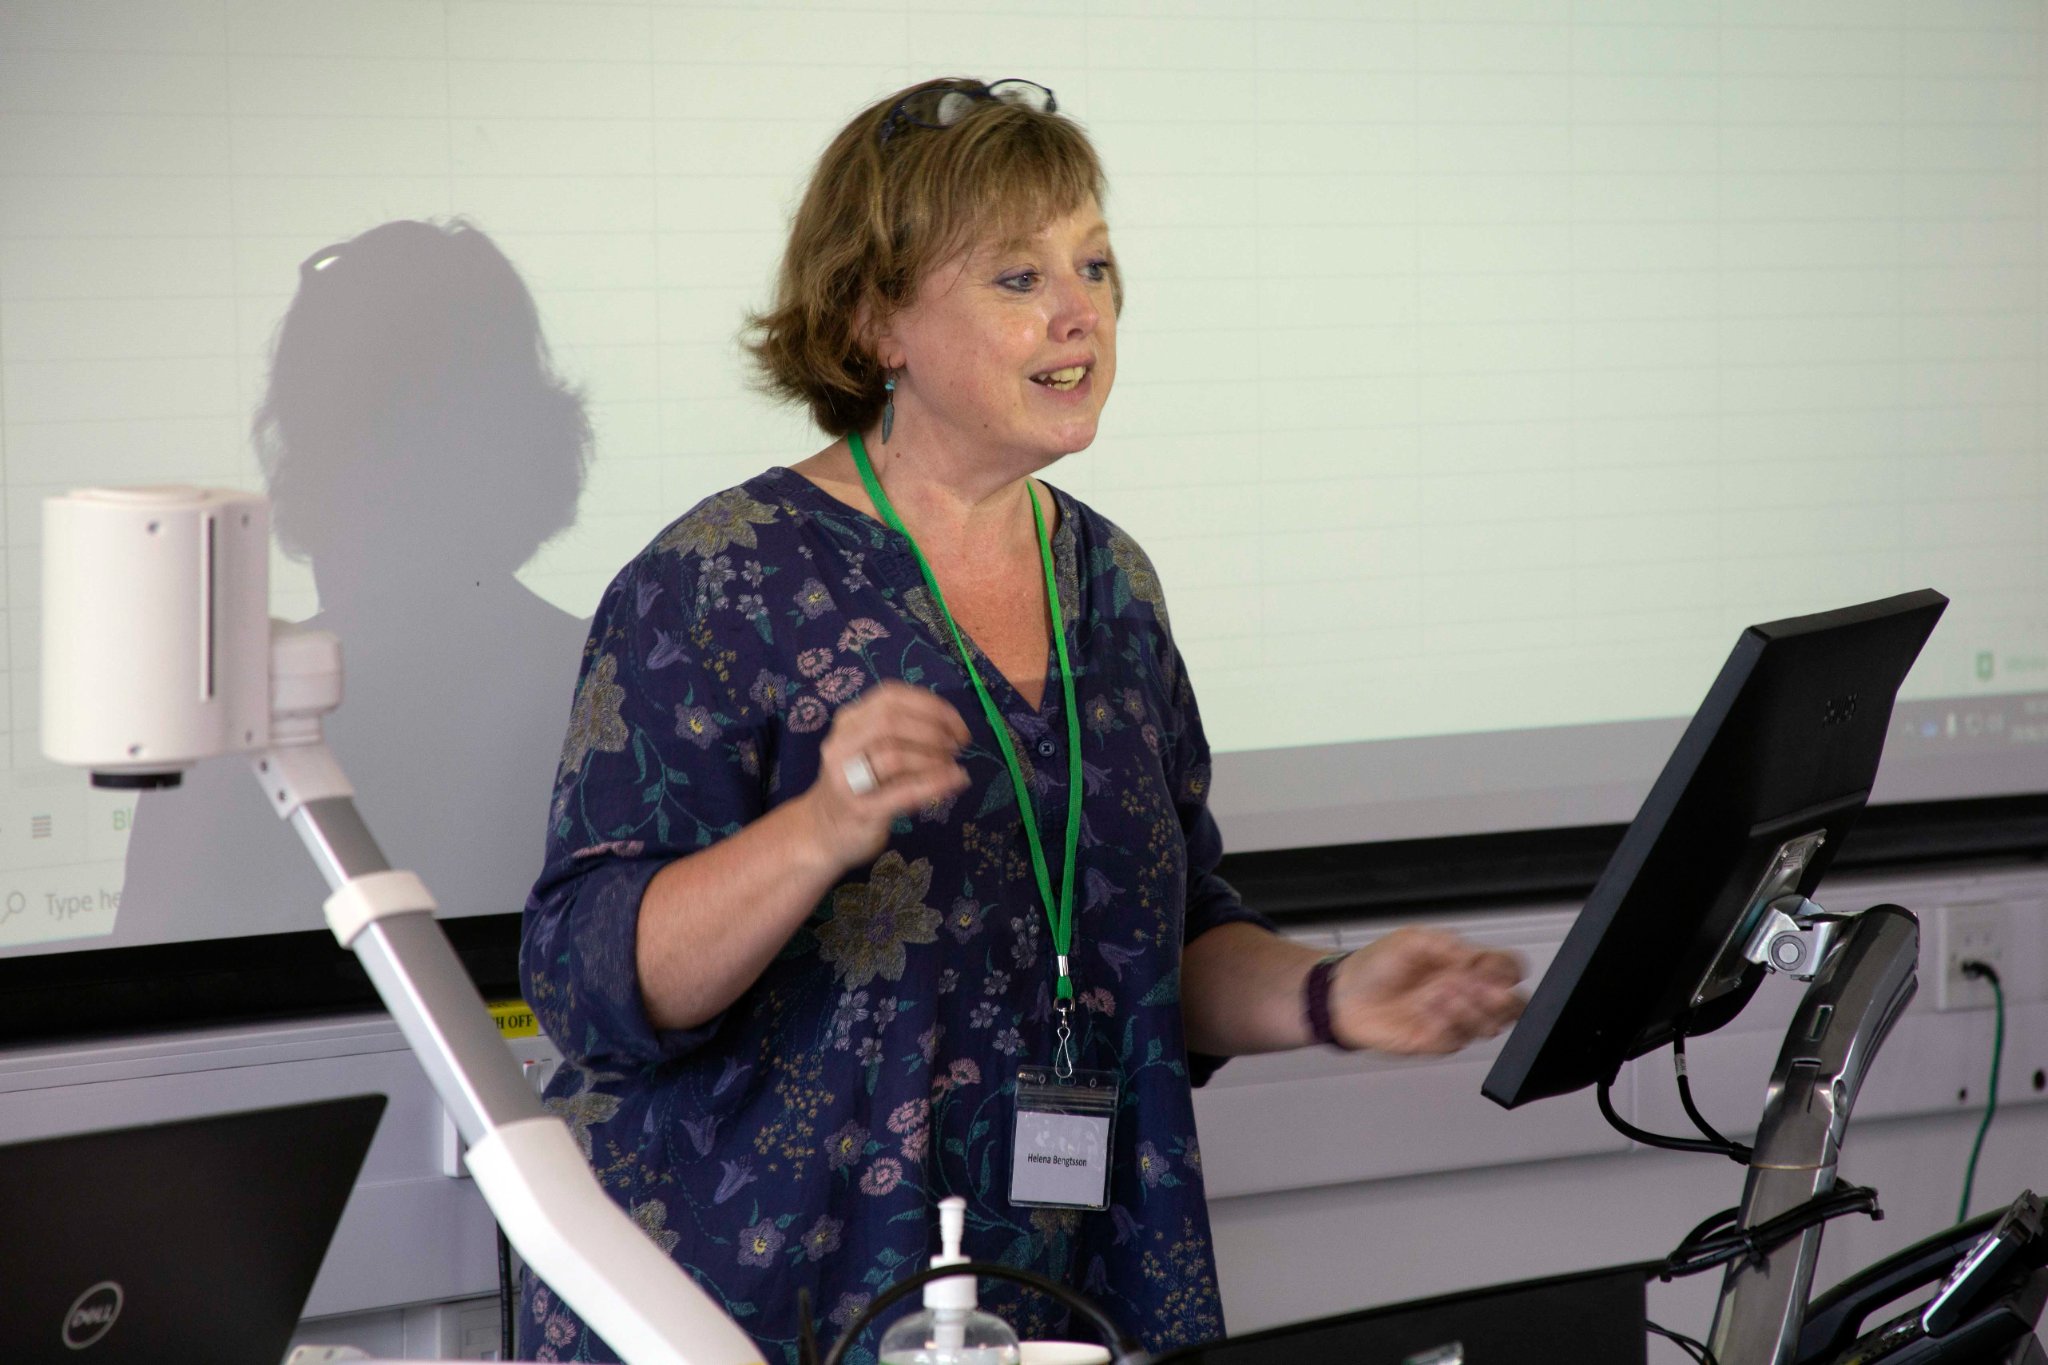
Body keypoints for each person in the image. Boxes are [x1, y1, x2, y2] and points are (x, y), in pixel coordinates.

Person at [519, 78, 1524, 1363]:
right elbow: (588, 985)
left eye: (1093, 266)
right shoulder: (717, 579)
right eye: (1016, 277)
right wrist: (817, 831)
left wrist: (1327, 996)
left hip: (1054, 1295)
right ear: (874, 319)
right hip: (761, 1302)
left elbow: (1162, 945)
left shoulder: (1110, 584)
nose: (1078, 311)